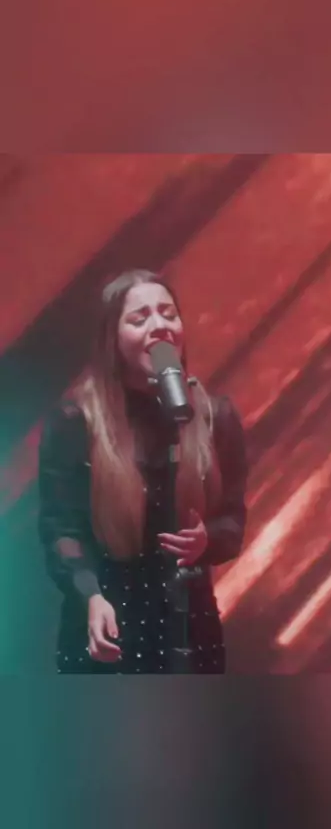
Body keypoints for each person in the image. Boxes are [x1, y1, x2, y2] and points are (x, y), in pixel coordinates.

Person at [38, 269, 248, 674]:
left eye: (168, 314)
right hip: (105, 621)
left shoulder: (214, 416)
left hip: (190, 628)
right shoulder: (75, 421)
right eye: (140, 318)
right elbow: (61, 529)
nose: (160, 326)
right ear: (111, 339)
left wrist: (206, 540)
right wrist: (89, 595)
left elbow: (233, 518)